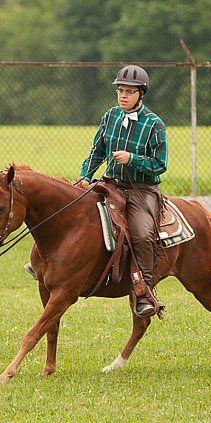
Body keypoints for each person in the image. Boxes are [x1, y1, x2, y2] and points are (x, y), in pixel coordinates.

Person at [79, 65, 168, 316]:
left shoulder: (155, 125)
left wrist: (133, 159)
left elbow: (160, 165)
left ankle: (144, 293)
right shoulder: (110, 116)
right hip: (110, 184)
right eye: (120, 91)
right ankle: (49, 265)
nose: (123, 96)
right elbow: (96, 151)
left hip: (142, 190)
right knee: (77, 209)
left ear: (141, 94)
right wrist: (85, 175)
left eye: (130, 92)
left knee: (141, 235)